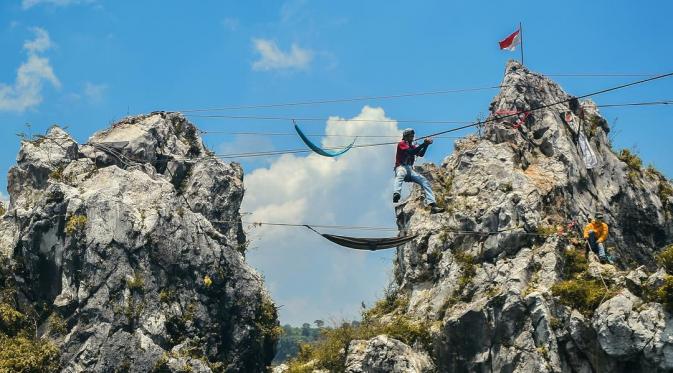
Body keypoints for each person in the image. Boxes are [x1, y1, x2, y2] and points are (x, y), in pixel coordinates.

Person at [392, 128, 445, 214]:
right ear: (406, 137)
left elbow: (421, 154)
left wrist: (426, 145)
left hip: (409, 169)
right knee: (400, 175)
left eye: (413, 136)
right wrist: (424, 143)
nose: (413, 137)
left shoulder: (412, 146)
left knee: (424, 181)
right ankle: (396, 193)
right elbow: (411, 152)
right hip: (401, 167)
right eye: (411, 136)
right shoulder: (401, 144)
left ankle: (433, 205)